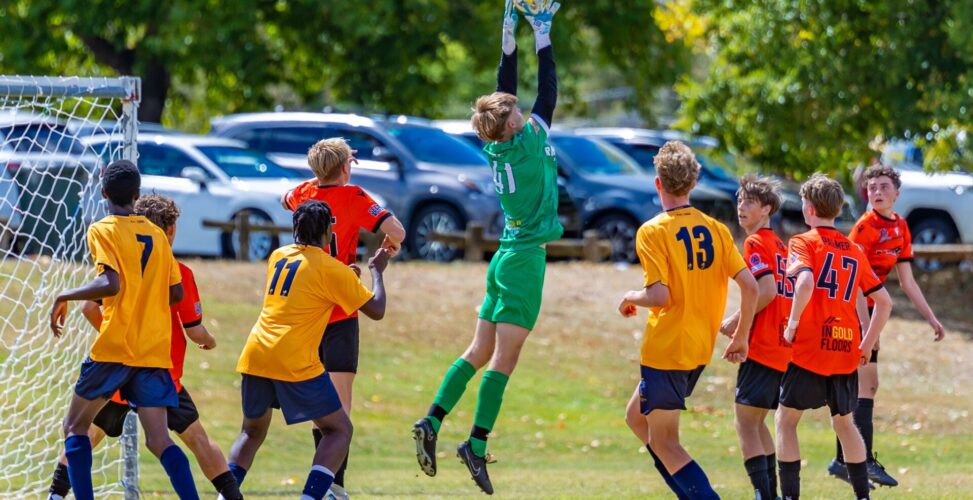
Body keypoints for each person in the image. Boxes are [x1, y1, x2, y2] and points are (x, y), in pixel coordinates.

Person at [411, 0, 562, 494]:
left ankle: (432, 420)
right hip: (522, 262)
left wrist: (507, 27)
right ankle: (474, 445)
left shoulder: (498, 144)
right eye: (515, 110)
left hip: (504, 256)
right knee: (503, 360)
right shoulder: (526, 139)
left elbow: (507, 86)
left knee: (478, 349)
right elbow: (548, 91)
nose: (521, 107)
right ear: (513, 124)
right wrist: (542, 33)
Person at [47, 194, 240, 500]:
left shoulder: (122, 266)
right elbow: (194, 329)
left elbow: (88, 307)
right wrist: (210, 340)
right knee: (192, 439)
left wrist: (118, 332)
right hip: (160, 371)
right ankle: (232, 496)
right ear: (172, 229)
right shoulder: (178, 271)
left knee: (84, 432)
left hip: (116, 368)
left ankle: (56, 495)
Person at [619, 141, 758, 499]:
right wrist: (741, 336)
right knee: (637, 419)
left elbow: (660, 296)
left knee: (667, 443)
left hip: (667, 348)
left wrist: (630, 297)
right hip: (698, 346)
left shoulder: (653, 231)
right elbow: (750, 287)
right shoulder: (716, 228)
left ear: (657, 183)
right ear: (694, 183)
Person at [225, 201, 389, 500]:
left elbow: (309, 285)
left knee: (251, 433)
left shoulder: (278, 256)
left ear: (294, 229)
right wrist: (376, 272)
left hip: (256, 352)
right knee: (339, 431)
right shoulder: (332, 269)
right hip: (293, 359)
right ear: (328, 232)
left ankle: (225, 497)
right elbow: (376, 310)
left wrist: (345, 278)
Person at [281, 137, 406, 499]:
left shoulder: (302, 193)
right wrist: (389, 247)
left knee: (320, 408)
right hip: (339, 312)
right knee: (340, 408)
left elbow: (284, 198)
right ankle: (335, 487)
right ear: (344, 167)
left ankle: (326, 485)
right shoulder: (354, 196)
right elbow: (395, 231)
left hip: (307, 313)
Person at [777, 174, 893, 500]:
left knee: (786, 422)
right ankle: (862, 497)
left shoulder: (803, 242)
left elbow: (804, 284)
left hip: (811, 346)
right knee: (844, 424)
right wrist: (866, 344)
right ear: (838, 209)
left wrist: (792, 325)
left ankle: (789, 497)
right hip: (844, 347)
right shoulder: (854, 250)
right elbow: (884, 301)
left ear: (809, 208)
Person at [829, 164, 946, 487]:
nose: (877, 192)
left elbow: (907, 281)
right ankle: (858, 461)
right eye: (872, 187)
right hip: (854, 309)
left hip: (871, 309)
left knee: (864, 386)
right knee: (865, 385)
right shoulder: (865, 227)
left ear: (897, 193)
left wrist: (931, 318)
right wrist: (868, 330)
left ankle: (846, 459)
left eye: (883, 186)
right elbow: (851, 282)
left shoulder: (901, 227)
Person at [719, 175, 791, 500]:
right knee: (758, 422)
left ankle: (764, 495)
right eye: (739, 201)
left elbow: (767, 290)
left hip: (763, 346)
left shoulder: (755, 242)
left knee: (745, 423)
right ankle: (771, 494)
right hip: (782, 347)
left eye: (749, 202)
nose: (741, 207)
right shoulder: (780, 245)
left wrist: (738, 324)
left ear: (766, 209)